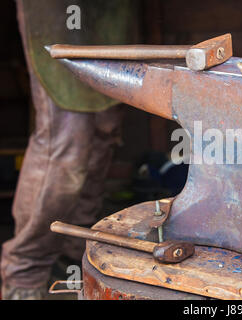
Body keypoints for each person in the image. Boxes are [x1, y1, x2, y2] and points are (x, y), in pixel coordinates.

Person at [1, 0, 139, 299]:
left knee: (105, 127)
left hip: (108, 12)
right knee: (66, 136)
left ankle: (72, 247)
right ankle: (25, 268)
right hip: (58, 8)